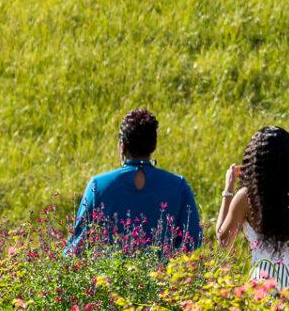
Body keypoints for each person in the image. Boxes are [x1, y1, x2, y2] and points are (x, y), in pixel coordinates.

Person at [66, 107, 202, 256]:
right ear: (153, 146)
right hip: (163, 271)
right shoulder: (178, 186)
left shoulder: (98, 185)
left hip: (110, 271)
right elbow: (192, 244)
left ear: (122, 146)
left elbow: (75, 248)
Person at [214, 125, 289, 293]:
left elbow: (223, 241)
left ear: (254, 164)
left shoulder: (246, 198)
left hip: (262, 286)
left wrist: (228, 190)